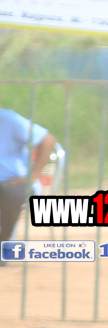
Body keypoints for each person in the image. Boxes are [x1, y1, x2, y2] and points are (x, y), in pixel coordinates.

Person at [0, 107, 57, 251]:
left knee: (11, 194)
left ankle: (3, 243)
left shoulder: (7, 119)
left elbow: (48, 140)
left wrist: (31, 177)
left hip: (13, 182)